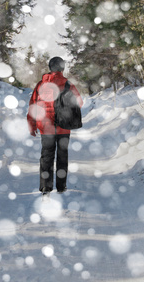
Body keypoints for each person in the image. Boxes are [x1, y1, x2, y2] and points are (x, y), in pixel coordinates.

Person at [27, 56, 83, 195]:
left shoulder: (41, 85)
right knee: (62, 156)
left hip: (46, 127)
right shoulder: (68, 84)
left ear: (50, 68)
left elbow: (33, 105)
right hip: (64, 126)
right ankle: (61, 186)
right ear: (62, 68)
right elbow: (79, 102)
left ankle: (46, 186)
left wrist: (32, 125)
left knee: (46, 156)